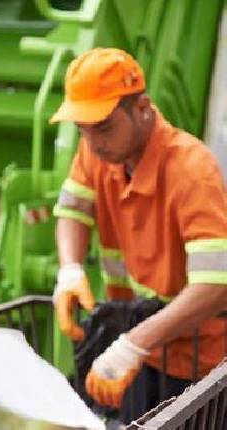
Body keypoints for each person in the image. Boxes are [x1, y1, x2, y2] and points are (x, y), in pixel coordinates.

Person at [51, 47, 227, 422]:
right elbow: (71, 210)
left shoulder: (191, 170)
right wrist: (70, 271)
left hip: (197, 367)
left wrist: (132, 345)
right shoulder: (98, 151)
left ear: (142, 107)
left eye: (103, 127)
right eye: (81, 129)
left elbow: (216, 285)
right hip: (141, 349)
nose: (93, 142)